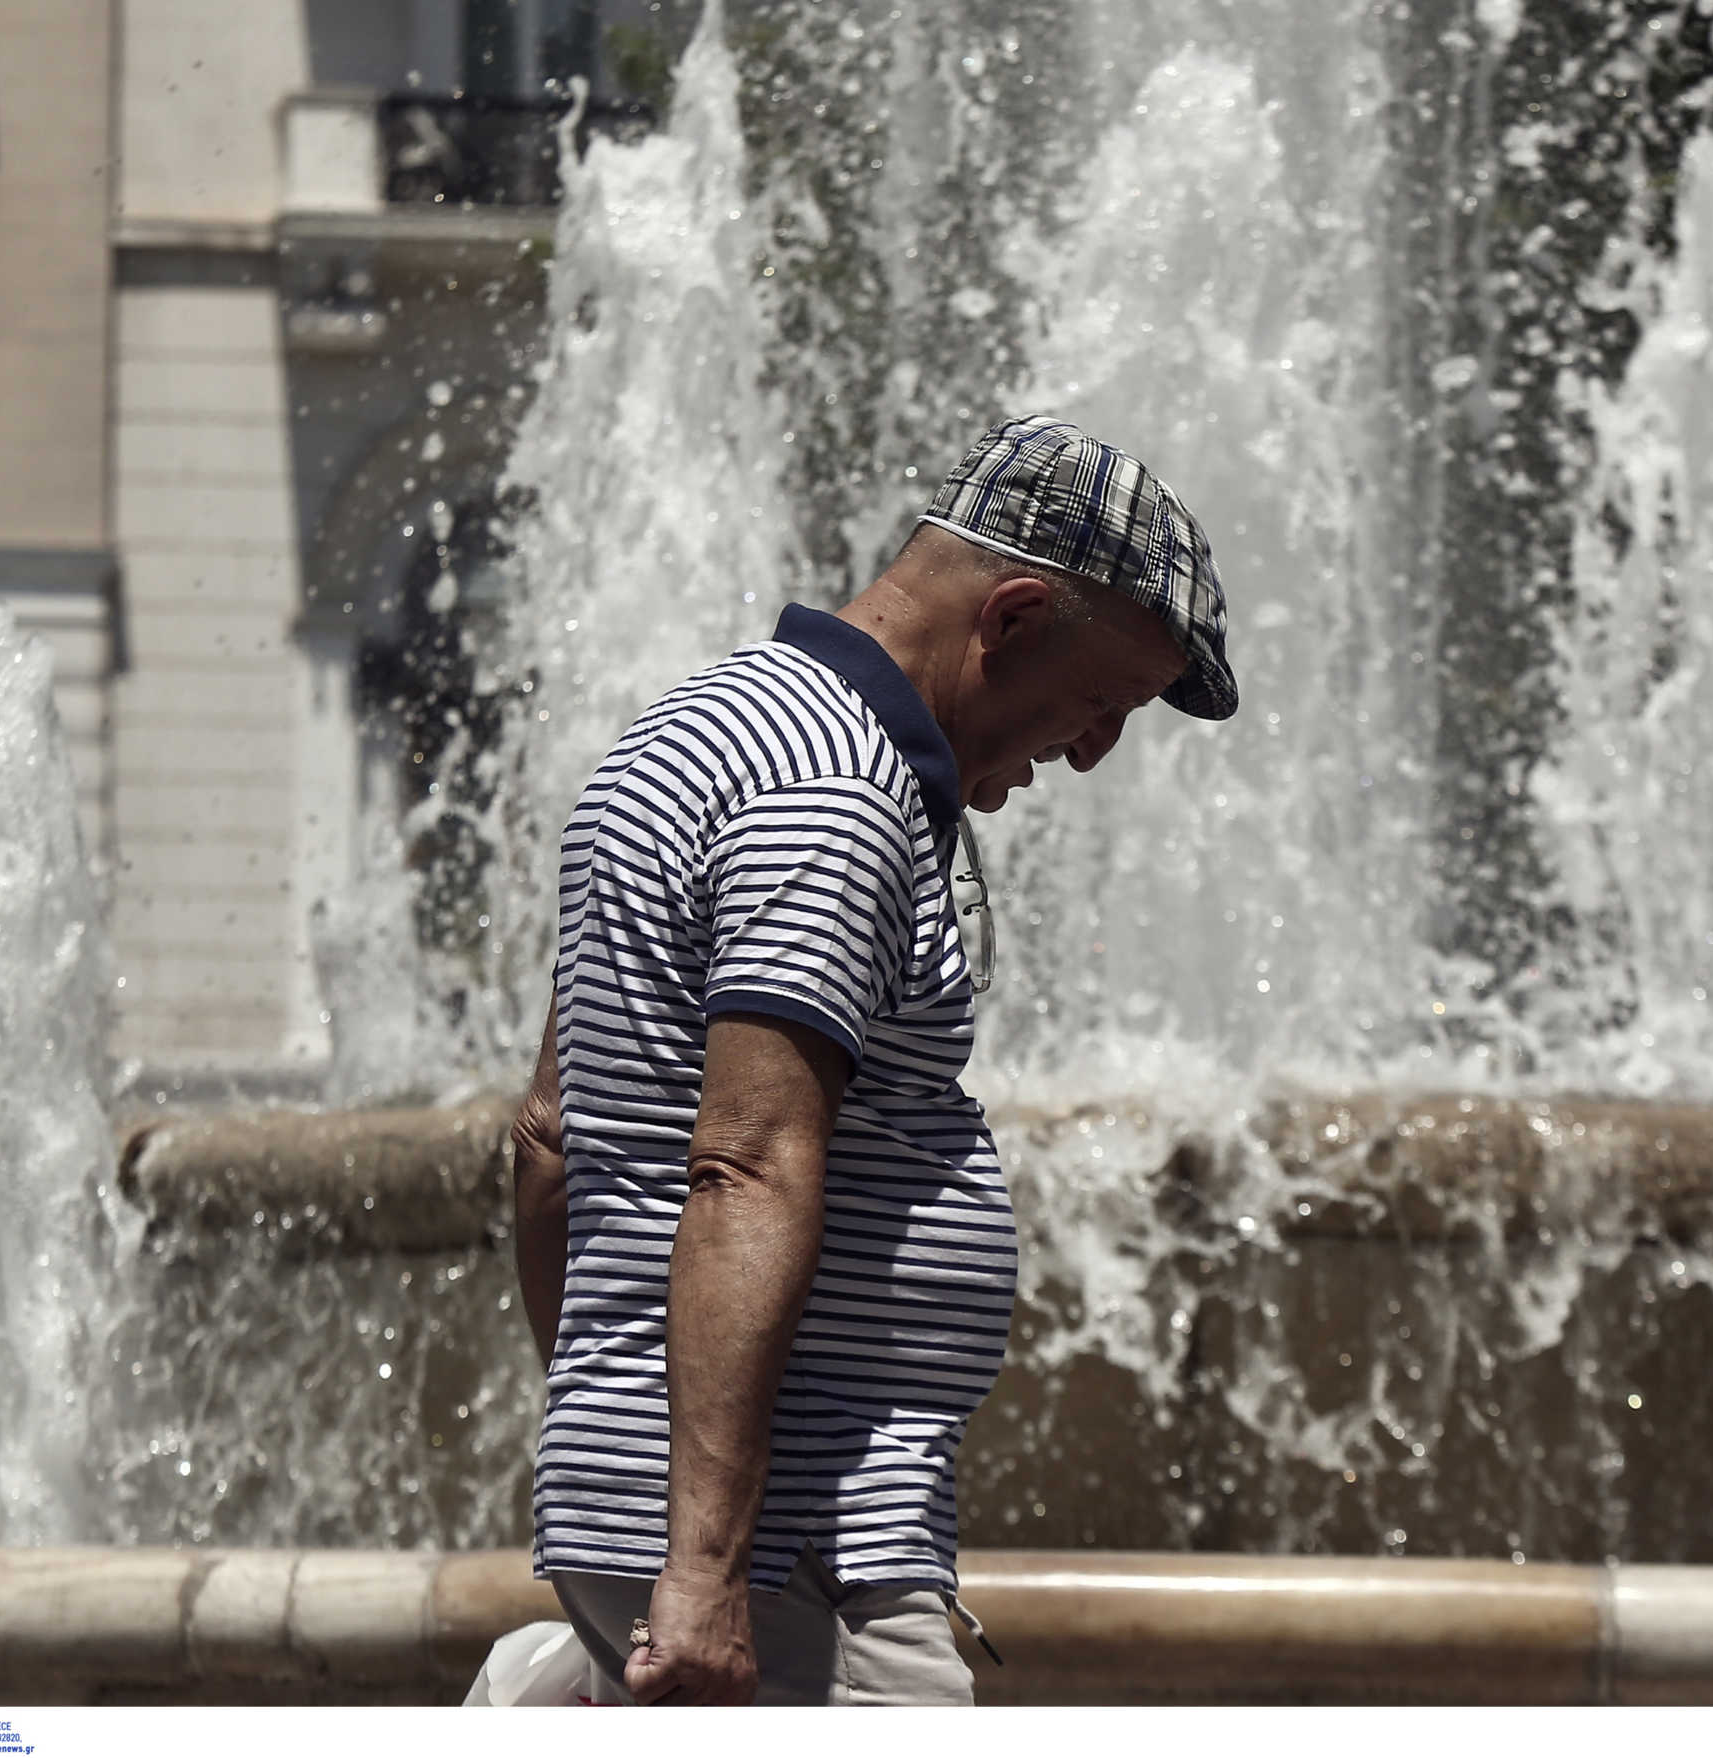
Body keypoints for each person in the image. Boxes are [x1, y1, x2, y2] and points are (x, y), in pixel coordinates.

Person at [506, 415, 1238, 1706]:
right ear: (1007, 618)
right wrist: (705, 1562)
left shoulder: (697, 728)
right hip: (801, 1533)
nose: (1089, 750)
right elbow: (747, 1163)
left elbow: (551, 1137)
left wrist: (612, 1432)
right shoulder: (835, 797)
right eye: (1101, 702)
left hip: (690, 1507)